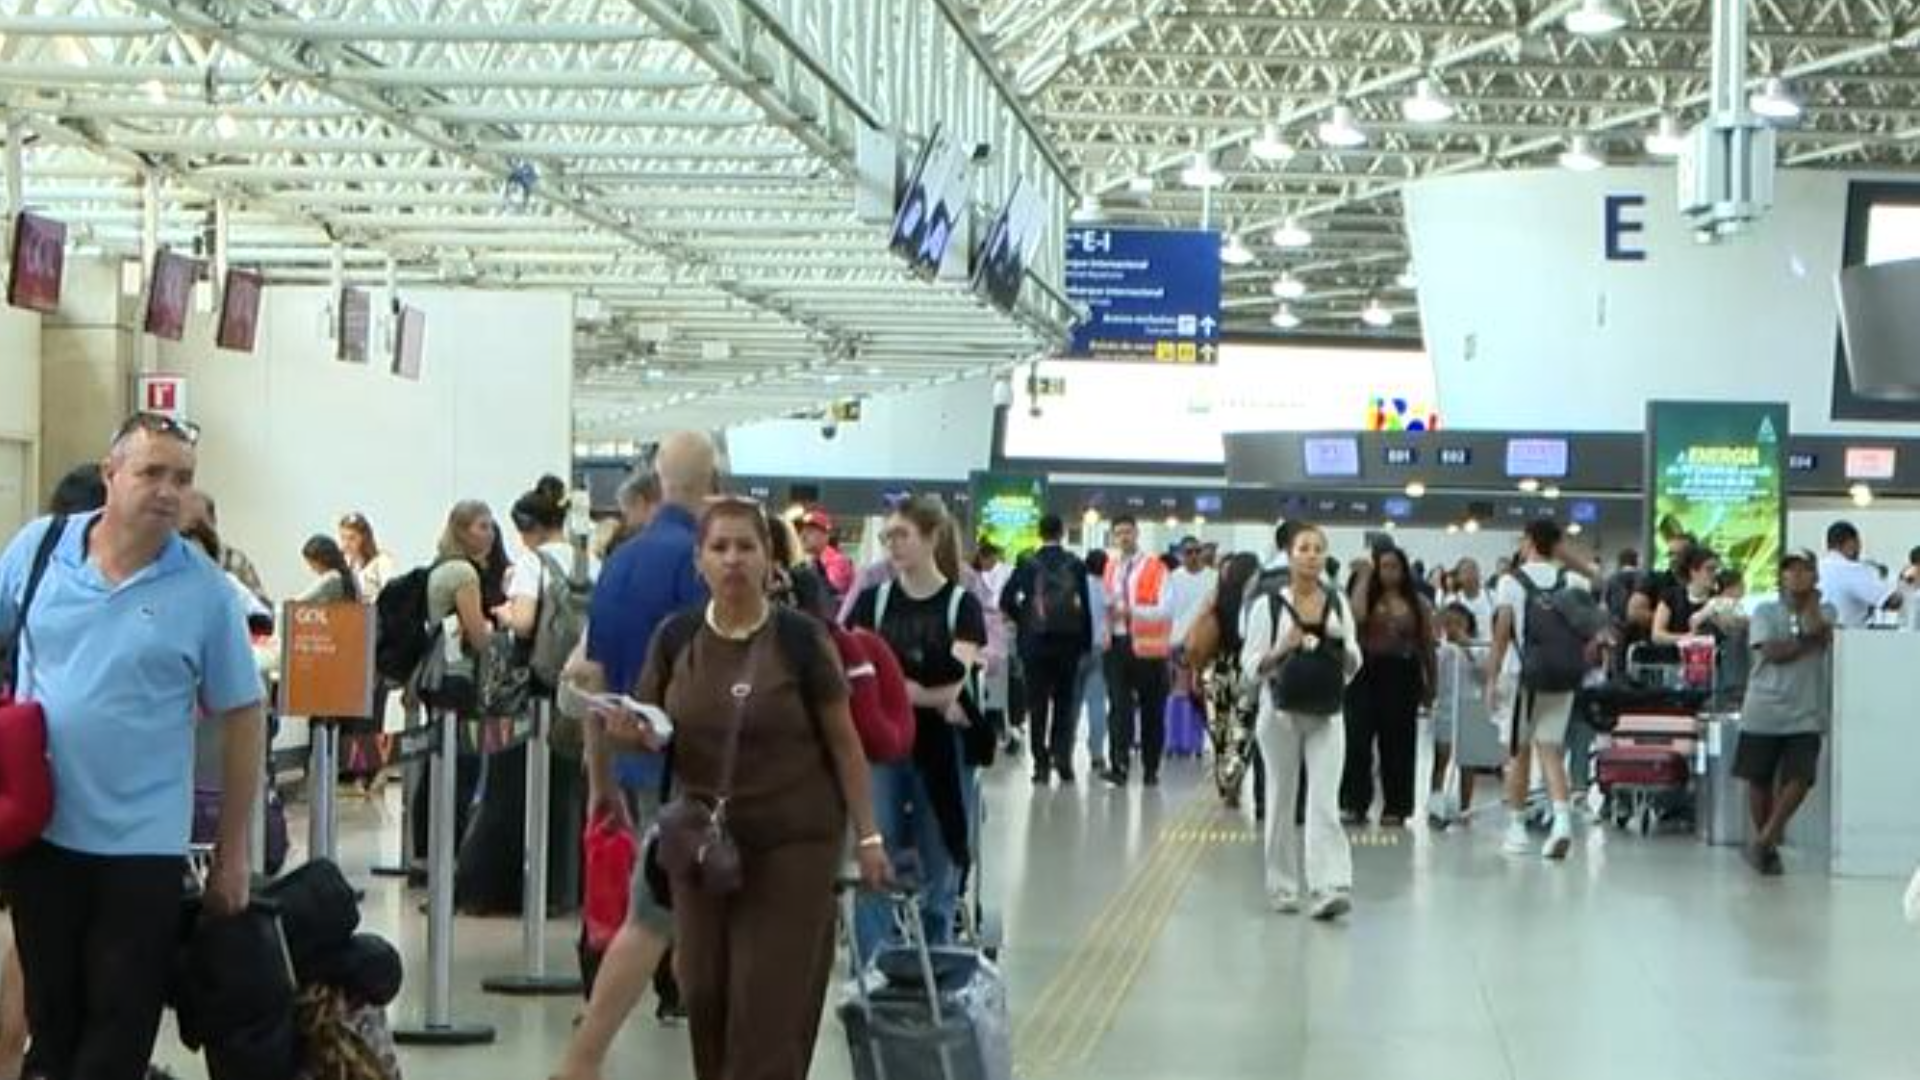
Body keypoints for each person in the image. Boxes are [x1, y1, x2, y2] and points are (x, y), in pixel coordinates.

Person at [0, 413, 265, 1078]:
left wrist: (234, 853)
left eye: (183, 478)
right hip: (43, 835)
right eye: (152, 473)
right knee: (53, 1026)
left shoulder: (204, 590)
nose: (169, 491)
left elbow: (243, 713)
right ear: (110, 474)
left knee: (119, 1032)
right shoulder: (38, 549)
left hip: (141, 847)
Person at [590, 498, 888, 1080]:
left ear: (770, 560)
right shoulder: (676, 638)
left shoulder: (801, 641)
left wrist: (869, 836)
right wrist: (628, 733)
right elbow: (649, 726)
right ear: (699, 560)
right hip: (703, 844)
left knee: (765, 998)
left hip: (794, 843)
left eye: (746, 547)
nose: (732, 560)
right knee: (701, 989)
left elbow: (845, 743)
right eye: (719, 548)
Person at [574, 434, 716, 1036]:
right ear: (709, 484)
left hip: (626, 758)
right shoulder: (701, 563)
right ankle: (684, 995)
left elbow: (592, 675)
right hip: (691, 765)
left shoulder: (621, 562)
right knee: (687, 898)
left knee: (644, 897)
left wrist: (598, 776)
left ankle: (605, 1014)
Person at [846, 495, 986, 962]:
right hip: (886, 748)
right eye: (887, 537)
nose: (892, 546)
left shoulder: (961, 605)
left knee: (939, 857)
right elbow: (851, 667)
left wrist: (897, 689)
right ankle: (875, 966)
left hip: (943, 752)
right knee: (876, 850)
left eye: (902, 535)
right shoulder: (871, 601)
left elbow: (955, 685)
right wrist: (923, 692)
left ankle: (936, 963)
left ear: (931, 538)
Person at [1241, 523, 1361, 920]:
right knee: (1280, 798)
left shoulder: (1338, 604)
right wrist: (1282, 648)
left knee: (1324, 799)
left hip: (1327, 711)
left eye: (1318, 549)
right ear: (1289, 556)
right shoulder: (1268, 606)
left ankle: (1328, 885)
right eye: (1303, 548)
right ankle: (1282, 886)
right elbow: (1251, 668)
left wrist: (1340, 642)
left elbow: (1354, 663)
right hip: (1280, 714)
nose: (1311, 555)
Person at [1489, 519, 1593, 861]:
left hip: (1523, 677)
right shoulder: (1573, 579)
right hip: (1563, 676)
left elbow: (1502, 636)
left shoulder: (1511, 581)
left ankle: (1517, 829)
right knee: (1551, 749)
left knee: (1518, 753)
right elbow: (1591, 618)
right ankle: (1561, 823)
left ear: (1528, 541)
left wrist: (1491, 680)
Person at [1735, 551, 1836, 875]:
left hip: (1806, 709)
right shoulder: (1765, 611)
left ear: (1816, 576)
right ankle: (1767, 850)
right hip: (1763, 707)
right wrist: (1809, 642)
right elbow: (1773, 652)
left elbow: (1820, 630)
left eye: (1806, 570)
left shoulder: (1826, 610)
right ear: (1781, 576)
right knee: (1758, 778)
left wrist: (1810, 610)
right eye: (1790, 570)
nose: (1797, 576)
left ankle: (1765, 839)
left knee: (1801, 776)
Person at [1342, 547, 1436, 828]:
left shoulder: (1418, 602)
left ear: (1404, 570)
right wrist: (1363, 577)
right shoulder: (1365, 598)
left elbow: (1427, 645)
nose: (1389, 572)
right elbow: (1356, 618)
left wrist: (1432, 683)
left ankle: (1396, 806)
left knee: (1398, 743)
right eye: (1383, 566)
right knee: (1356, 739)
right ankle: (1354, 802)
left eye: (1395, 566)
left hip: (1402, 674)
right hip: (1364, 673)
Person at [998, 515, 1092, 785]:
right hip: (1068, 644)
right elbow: (1084, 607)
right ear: (1062, 532)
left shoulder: (1027, 562)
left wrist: (1024, 620)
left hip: (1035, 645)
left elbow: (1006, 599)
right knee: (1065, 704)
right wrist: (1084, 642)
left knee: (1037, 705)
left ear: (1039, 533)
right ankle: (1062, 760)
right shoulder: (1076, 564)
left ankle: (1040, 765)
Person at [1101, 515, 1173, 787]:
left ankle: (1151, 768)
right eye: (1118, 533)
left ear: (1137, 533)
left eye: (1127, 532)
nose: (1123, 538)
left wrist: (1135, 611)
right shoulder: (1111, 567)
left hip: (1148, 649)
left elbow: (1166, 608)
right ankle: (1119, 764)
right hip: (1117, 644)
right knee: (1119, 708)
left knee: (1152, 710)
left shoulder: (1156, 568)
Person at [1428, 603, 1490, 826]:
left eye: (1458, 623)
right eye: (1449, 623)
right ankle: (1435, 804)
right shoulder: (1440, 648)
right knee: (1441, 757)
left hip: (1471, 706)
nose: (1453, 628)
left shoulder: (1479, 646)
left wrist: (1467, 647)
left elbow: (1485, 675)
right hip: (1445, 708)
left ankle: (1466, 808)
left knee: (1468, 763)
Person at [179, 488, 269, 603]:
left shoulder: (235, 562)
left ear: (213, 521)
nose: (195, 538)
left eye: (200, 526)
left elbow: (262, 610)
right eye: (187, 532)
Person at [1817, 521, 1904, 628]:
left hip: (1816, 639)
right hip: (1848, 639)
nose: (1859, 550)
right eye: (1859, 544)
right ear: (1852, 543)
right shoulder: (1851, 568)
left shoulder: (1817, 566)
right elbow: (1892, 602)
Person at [1652, 543, 1730, 645]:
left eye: (1716, 570)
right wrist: (1688, 638)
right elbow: (1657, 635)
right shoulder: (1671, 596)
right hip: (1672, 657)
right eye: (1710, 569)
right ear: (1693, 571)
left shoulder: (1718, 600)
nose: (1715, 574)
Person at [1078, 549, 1112, 776]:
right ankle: (1097, 754)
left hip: (1076, 650)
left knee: (1070, 704)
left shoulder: (1077, 586)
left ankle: (1061, 753)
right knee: (1097, 703)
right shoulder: (1110, 589)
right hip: (1101, 649)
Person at [796, 507, 854, 607]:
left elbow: (826, 598)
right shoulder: (809, 563)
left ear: (826, 535)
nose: (803, 535)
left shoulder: (838, 562)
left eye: (810, 531)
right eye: (802, 531)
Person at [337, 512, 396, 600]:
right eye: (343, 538)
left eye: (352, 538)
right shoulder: (344, 563)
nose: (345, 544)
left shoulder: (382, 561)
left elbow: (390, 594)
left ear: (364, 538)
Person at [296, 534, 362, 604]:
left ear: (322, 560)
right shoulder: (349, 576)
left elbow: (297, 602)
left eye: (312, 564)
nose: (312, 569)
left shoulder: (332, 578)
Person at [1444, 558, 1494, 640]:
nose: (1470, 575)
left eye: (1474, 570)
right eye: (1465, 572)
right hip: (1462, 649)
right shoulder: (1451, 600)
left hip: (1489, 647)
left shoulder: (1492, 597)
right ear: (1458, 577)